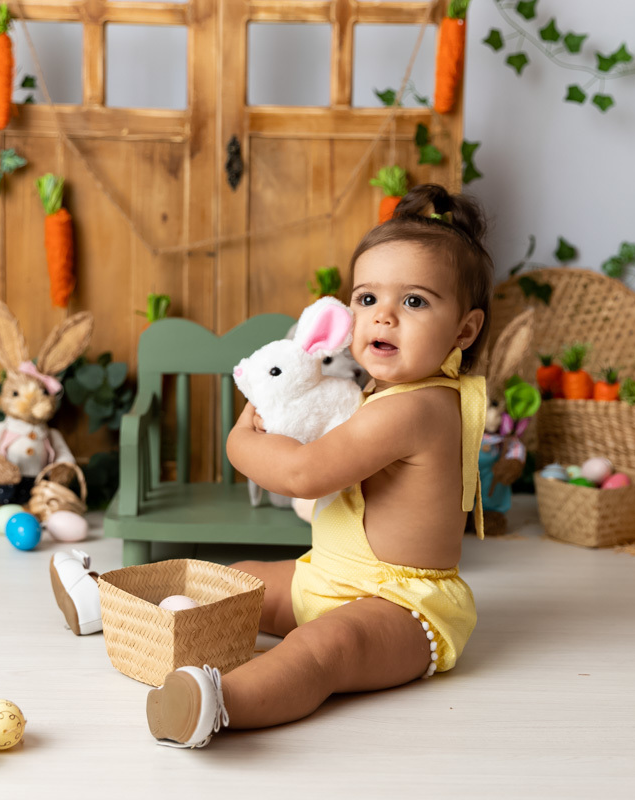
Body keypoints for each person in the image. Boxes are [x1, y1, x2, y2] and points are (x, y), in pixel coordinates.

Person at [146, 184, 494, 748]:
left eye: (414, 302)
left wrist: (241, 439)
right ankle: (122, 612)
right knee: (235, 580)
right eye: (366, 298)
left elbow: (304, 474)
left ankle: (218, 702)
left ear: (464, 330)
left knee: (323, 649)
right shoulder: (381, 393)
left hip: (401, 607)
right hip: (327, 577)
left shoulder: (418, 408)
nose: (384, 316)